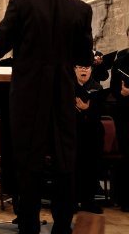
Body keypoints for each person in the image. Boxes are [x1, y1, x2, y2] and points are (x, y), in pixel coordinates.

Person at [0, 0, 93, 234]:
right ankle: (62, 227)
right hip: (62, 95)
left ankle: (29, 225)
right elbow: (83, 56)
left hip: (28, 97)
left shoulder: (22, 3)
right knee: (64, 161)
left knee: (28, 162)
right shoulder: (80, 8)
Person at [73, 65, 105, 214]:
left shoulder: (97, 88)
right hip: (74, 133)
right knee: (73, 167)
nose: (83, 70)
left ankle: (88, 201)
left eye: (86, 68)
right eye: (80, 67)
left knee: (91, 167)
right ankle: (72, 201)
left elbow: (100, 111)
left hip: (92, 134)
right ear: (74, 70)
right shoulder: (68, 86)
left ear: (91, 70)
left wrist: (86, 109)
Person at [110, 26, 129, 211]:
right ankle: (124, 200)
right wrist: (122, 93)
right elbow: (114, 89)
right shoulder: (121, 61)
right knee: (126, 156)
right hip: (125, 115)